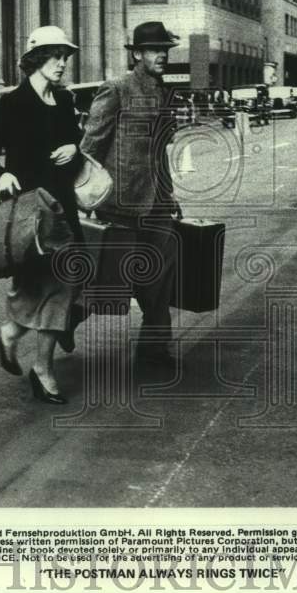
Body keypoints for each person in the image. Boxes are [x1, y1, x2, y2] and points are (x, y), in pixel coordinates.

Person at [0, 25, 83, 404]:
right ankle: (34, 360)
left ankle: (22, 347)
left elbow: (76, 142)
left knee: (63, 285)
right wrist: (0, 173)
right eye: (56, 57)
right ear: (36, 59)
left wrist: (73, 147)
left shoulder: (64, 101)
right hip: (28, 214)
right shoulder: (13, 104)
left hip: (63, 208)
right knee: (40, 288)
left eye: (65, 58)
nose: (62, 64)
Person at [80, 21, 183, 365]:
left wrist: (170, 195)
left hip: (157, 204)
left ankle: (154, 349)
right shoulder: (116, 89)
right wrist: (82, 198)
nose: (162, 56)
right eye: (155, 50)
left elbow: (160, 152)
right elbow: (91, 147)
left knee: (160, 278)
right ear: (137, 54)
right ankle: (64, 320)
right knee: (106, 284)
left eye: (165, 50)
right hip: (119, 204)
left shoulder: (165, 93)